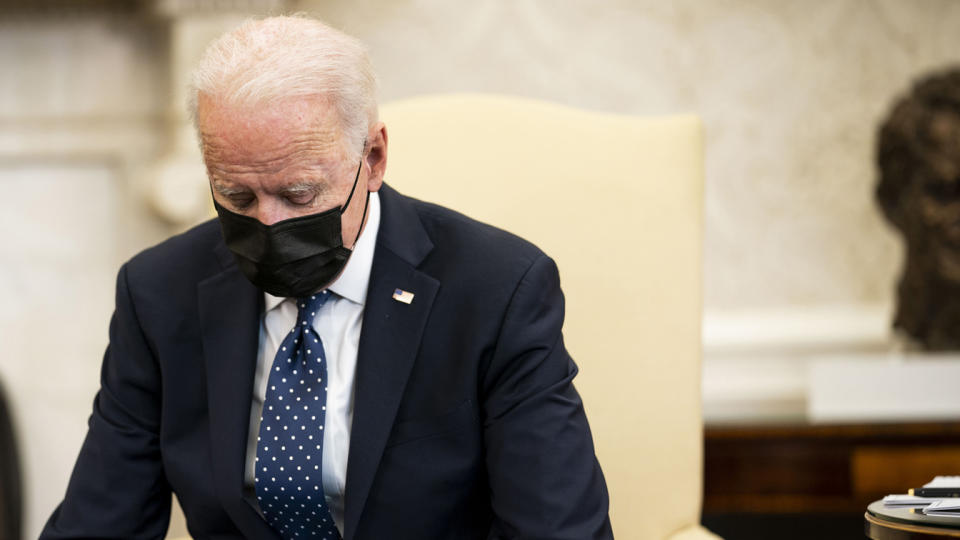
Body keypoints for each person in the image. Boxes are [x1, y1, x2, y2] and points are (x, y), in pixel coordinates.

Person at [41, 15, 611, 540]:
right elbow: (99, 520)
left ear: (375, 158)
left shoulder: (495, 289)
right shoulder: (158, 293)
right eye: (237, 195)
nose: (268, 222)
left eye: (298, 194)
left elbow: (556, 529)